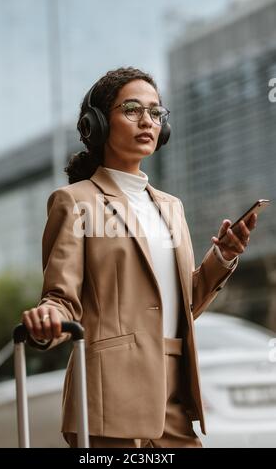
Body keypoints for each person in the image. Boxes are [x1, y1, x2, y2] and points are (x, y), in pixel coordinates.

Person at [22, 67, 257, 448]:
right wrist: (48, 318)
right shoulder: (76, 202)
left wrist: (223, 256)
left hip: (175, 393)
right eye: (131, 109)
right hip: (109, 395)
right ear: (96, 124)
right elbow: (61, 298)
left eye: (156, 112)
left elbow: (183, 304)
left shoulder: (171, 207)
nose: (147, 121)